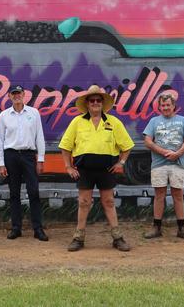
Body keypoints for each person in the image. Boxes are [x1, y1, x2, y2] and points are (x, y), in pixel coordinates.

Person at [59, 84, 133, 252]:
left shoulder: (113, 122)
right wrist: (68, 167)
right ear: (86, 103)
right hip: (84, 169)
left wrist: (121, 163)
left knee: (109, 201)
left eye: (98, 100)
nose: (95, 103)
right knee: (84, 202)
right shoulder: (77, 122)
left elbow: (127, 145)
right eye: (91, 100)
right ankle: (78, 238)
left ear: (102, 102)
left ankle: (117, 237)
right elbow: (65, 146)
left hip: (107, 169)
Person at [0, 85, 48, 241]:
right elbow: (0, 139)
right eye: (14, 94)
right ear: (10, 96)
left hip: (28, 155)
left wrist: (40, 159)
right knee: (14, 193)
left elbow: (39, 136)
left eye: (19, 93)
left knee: (34, 192)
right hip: (10, 155)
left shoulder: (34, 113)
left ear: (24, 94)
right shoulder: (4, 115)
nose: (17, 96)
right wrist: (1, 163)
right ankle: (16, 228)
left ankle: (38, 228)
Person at [142, 93, 184, 240]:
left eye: (168, 105)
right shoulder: (154, 121)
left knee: (177, 195)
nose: (165, 107)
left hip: (178, 165)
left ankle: (181, 228)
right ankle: (156, 227)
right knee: (159, 195)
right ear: (159, 107)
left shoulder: (183, 120)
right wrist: (163, 152)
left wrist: (177, 154)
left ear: (174, 106)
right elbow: (147, 140)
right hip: (159, 164)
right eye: (163, 105)